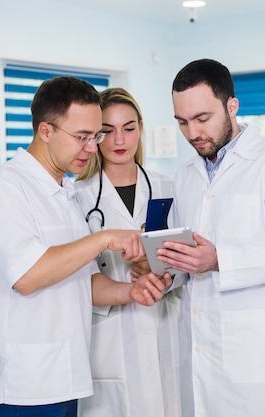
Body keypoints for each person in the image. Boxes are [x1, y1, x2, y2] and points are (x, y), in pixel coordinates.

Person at [0, 76, 171, 417]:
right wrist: (104, 238)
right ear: (46, 131)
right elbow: (28, 275)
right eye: (83, 137)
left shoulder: (64, 194)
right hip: (21, 382)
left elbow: (84, 282)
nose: (93, 148)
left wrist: (129, 292)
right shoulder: (3, 188)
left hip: (65, 376)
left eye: (96, 136)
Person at [156, 59, 265, 417]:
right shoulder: (185, 175)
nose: (192, 132)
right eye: (182, 122)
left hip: (253, 361)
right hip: (199, 353)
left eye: (202, 118)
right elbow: (185, 253)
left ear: (232, 106)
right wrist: (164, 274)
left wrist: (220, 259)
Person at [74, 87, 181, 417]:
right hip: (107, 338)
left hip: (163, 325)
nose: (119, 139)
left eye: (129, 128)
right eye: (107, 130)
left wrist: (162, 272)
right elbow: (76, 277)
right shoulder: (77, 196)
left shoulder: (168, 186)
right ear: (95, 135)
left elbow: (187, 262)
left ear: (141, 129)